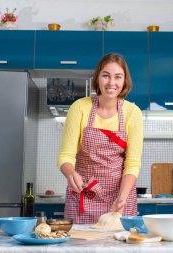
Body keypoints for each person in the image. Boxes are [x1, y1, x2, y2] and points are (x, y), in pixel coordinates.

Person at [57, 53, 144, 224]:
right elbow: (65, 155)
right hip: (83, 194)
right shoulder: (80, 107)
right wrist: (70, 173)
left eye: (118, 77)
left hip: (119, 197)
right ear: (97, 79)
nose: (111, 83)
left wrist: (122, 198)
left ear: (124, 81)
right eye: (106, 75)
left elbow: (132, 164)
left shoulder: (132, 113)